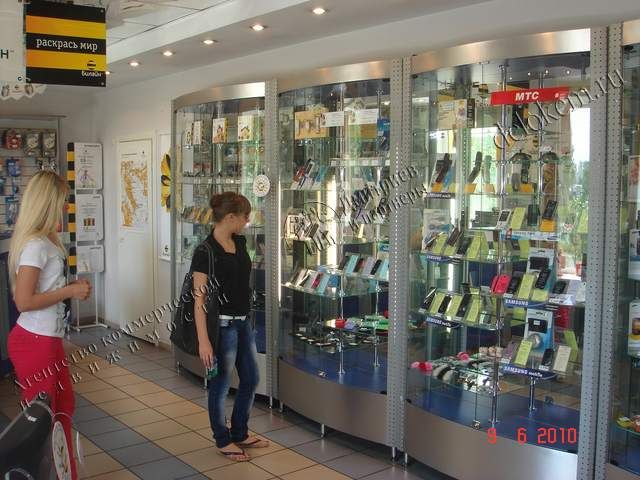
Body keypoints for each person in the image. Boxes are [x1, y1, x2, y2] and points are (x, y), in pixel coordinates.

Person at [7, 171, 91, 480]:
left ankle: (64, 473)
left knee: (62, 406)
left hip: (46, 339)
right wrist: (69, 291)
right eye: (62, 200)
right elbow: (23, 301)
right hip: (34, 342)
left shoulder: (46, 240)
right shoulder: (35, 245)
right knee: (43, 420)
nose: (66, 206)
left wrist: (71, 289)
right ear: (48, 202)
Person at [191, 191, 268, 462]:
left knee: (251, 378)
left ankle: (240, 431)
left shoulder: (240, 242)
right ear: (231, 217)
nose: (248, 221)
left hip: (243, 323)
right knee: (221, 385)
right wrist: (203, 341)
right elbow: (199, 300)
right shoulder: (205, 252)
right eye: (245, 216)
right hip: (221, 328)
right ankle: (223, 440)